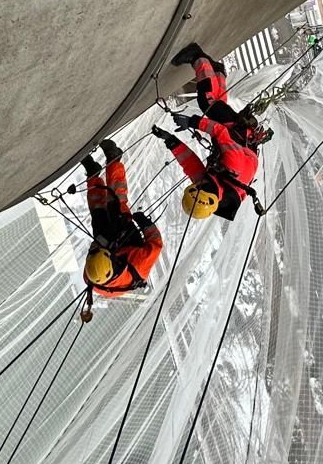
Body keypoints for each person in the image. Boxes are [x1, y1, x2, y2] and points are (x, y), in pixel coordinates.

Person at [152, 44, 270, 220]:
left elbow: (190, 163)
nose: (200, 181)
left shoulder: (206, 189)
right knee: (207, 103)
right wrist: (192, 122)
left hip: (237, 145)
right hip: (237, 134)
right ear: (209, 192)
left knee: (217, 104)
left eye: (197, 184)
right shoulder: (232, 166)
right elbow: (221, 132)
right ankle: (197, 57)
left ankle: (218, 72)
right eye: (202, 184)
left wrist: (171, 141)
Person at [81, 139, 163, 299]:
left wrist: (99, 244)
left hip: (108, 246)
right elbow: (156, 244)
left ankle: (93, 174)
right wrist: (145, 224)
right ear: (112, 260)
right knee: (116, 204)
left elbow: (94, 251)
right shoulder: (139, 265)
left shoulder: (90, 275)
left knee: (98, 215)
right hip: (130, 243)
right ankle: (114, 160)